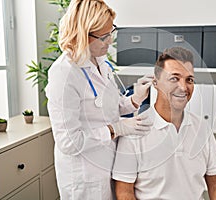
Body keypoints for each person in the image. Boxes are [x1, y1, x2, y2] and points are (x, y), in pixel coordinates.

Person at [45, 0, 153, 199]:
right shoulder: (63, 73)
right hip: (85, 176)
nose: (110, 41)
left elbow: (107, 108)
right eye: (103, 36)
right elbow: (69, 142)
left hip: (110, 162)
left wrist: (134, 100)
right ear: (82, 34)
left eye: (111, 32)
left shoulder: (100, 61)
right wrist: (116, 129)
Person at [112, 47, 216, 200]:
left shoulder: (201, 128)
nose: (183, 87)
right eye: (174, 78)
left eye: (189, 80)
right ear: (155, 82)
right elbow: (124, 191)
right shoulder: (134, 130)